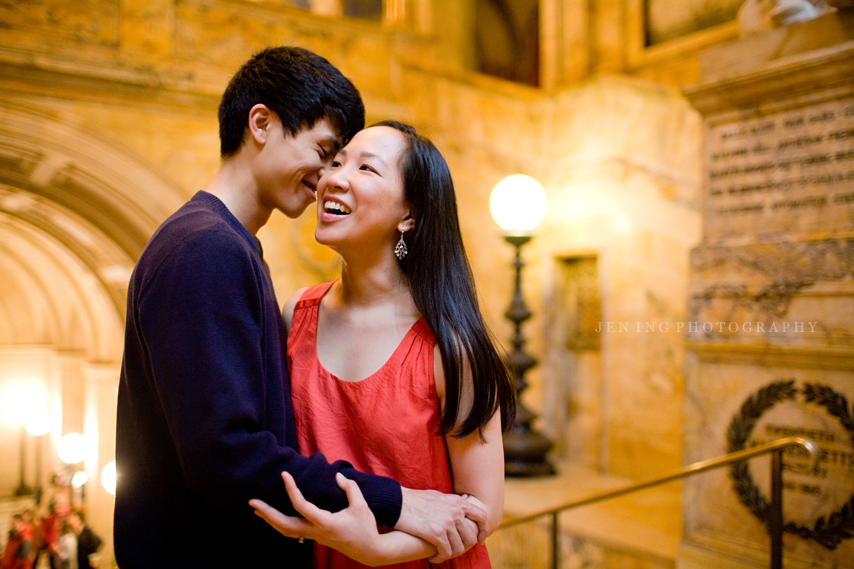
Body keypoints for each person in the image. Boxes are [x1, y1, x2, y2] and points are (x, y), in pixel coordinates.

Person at [115, 47, 486, 569]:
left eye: (355, 164)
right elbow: (227, 456)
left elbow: (480, 505)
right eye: (327, 153)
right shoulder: (208, 249)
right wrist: (397, 501)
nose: (327, 177)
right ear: (261, 124)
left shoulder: (230, 247)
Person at [251, 121, 516, 567]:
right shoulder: (295, 314)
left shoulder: (449, 347)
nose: (333, 178)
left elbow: (482, 511)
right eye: (336, 162)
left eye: (366, 169)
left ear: (408, 215)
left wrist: (377, 549)